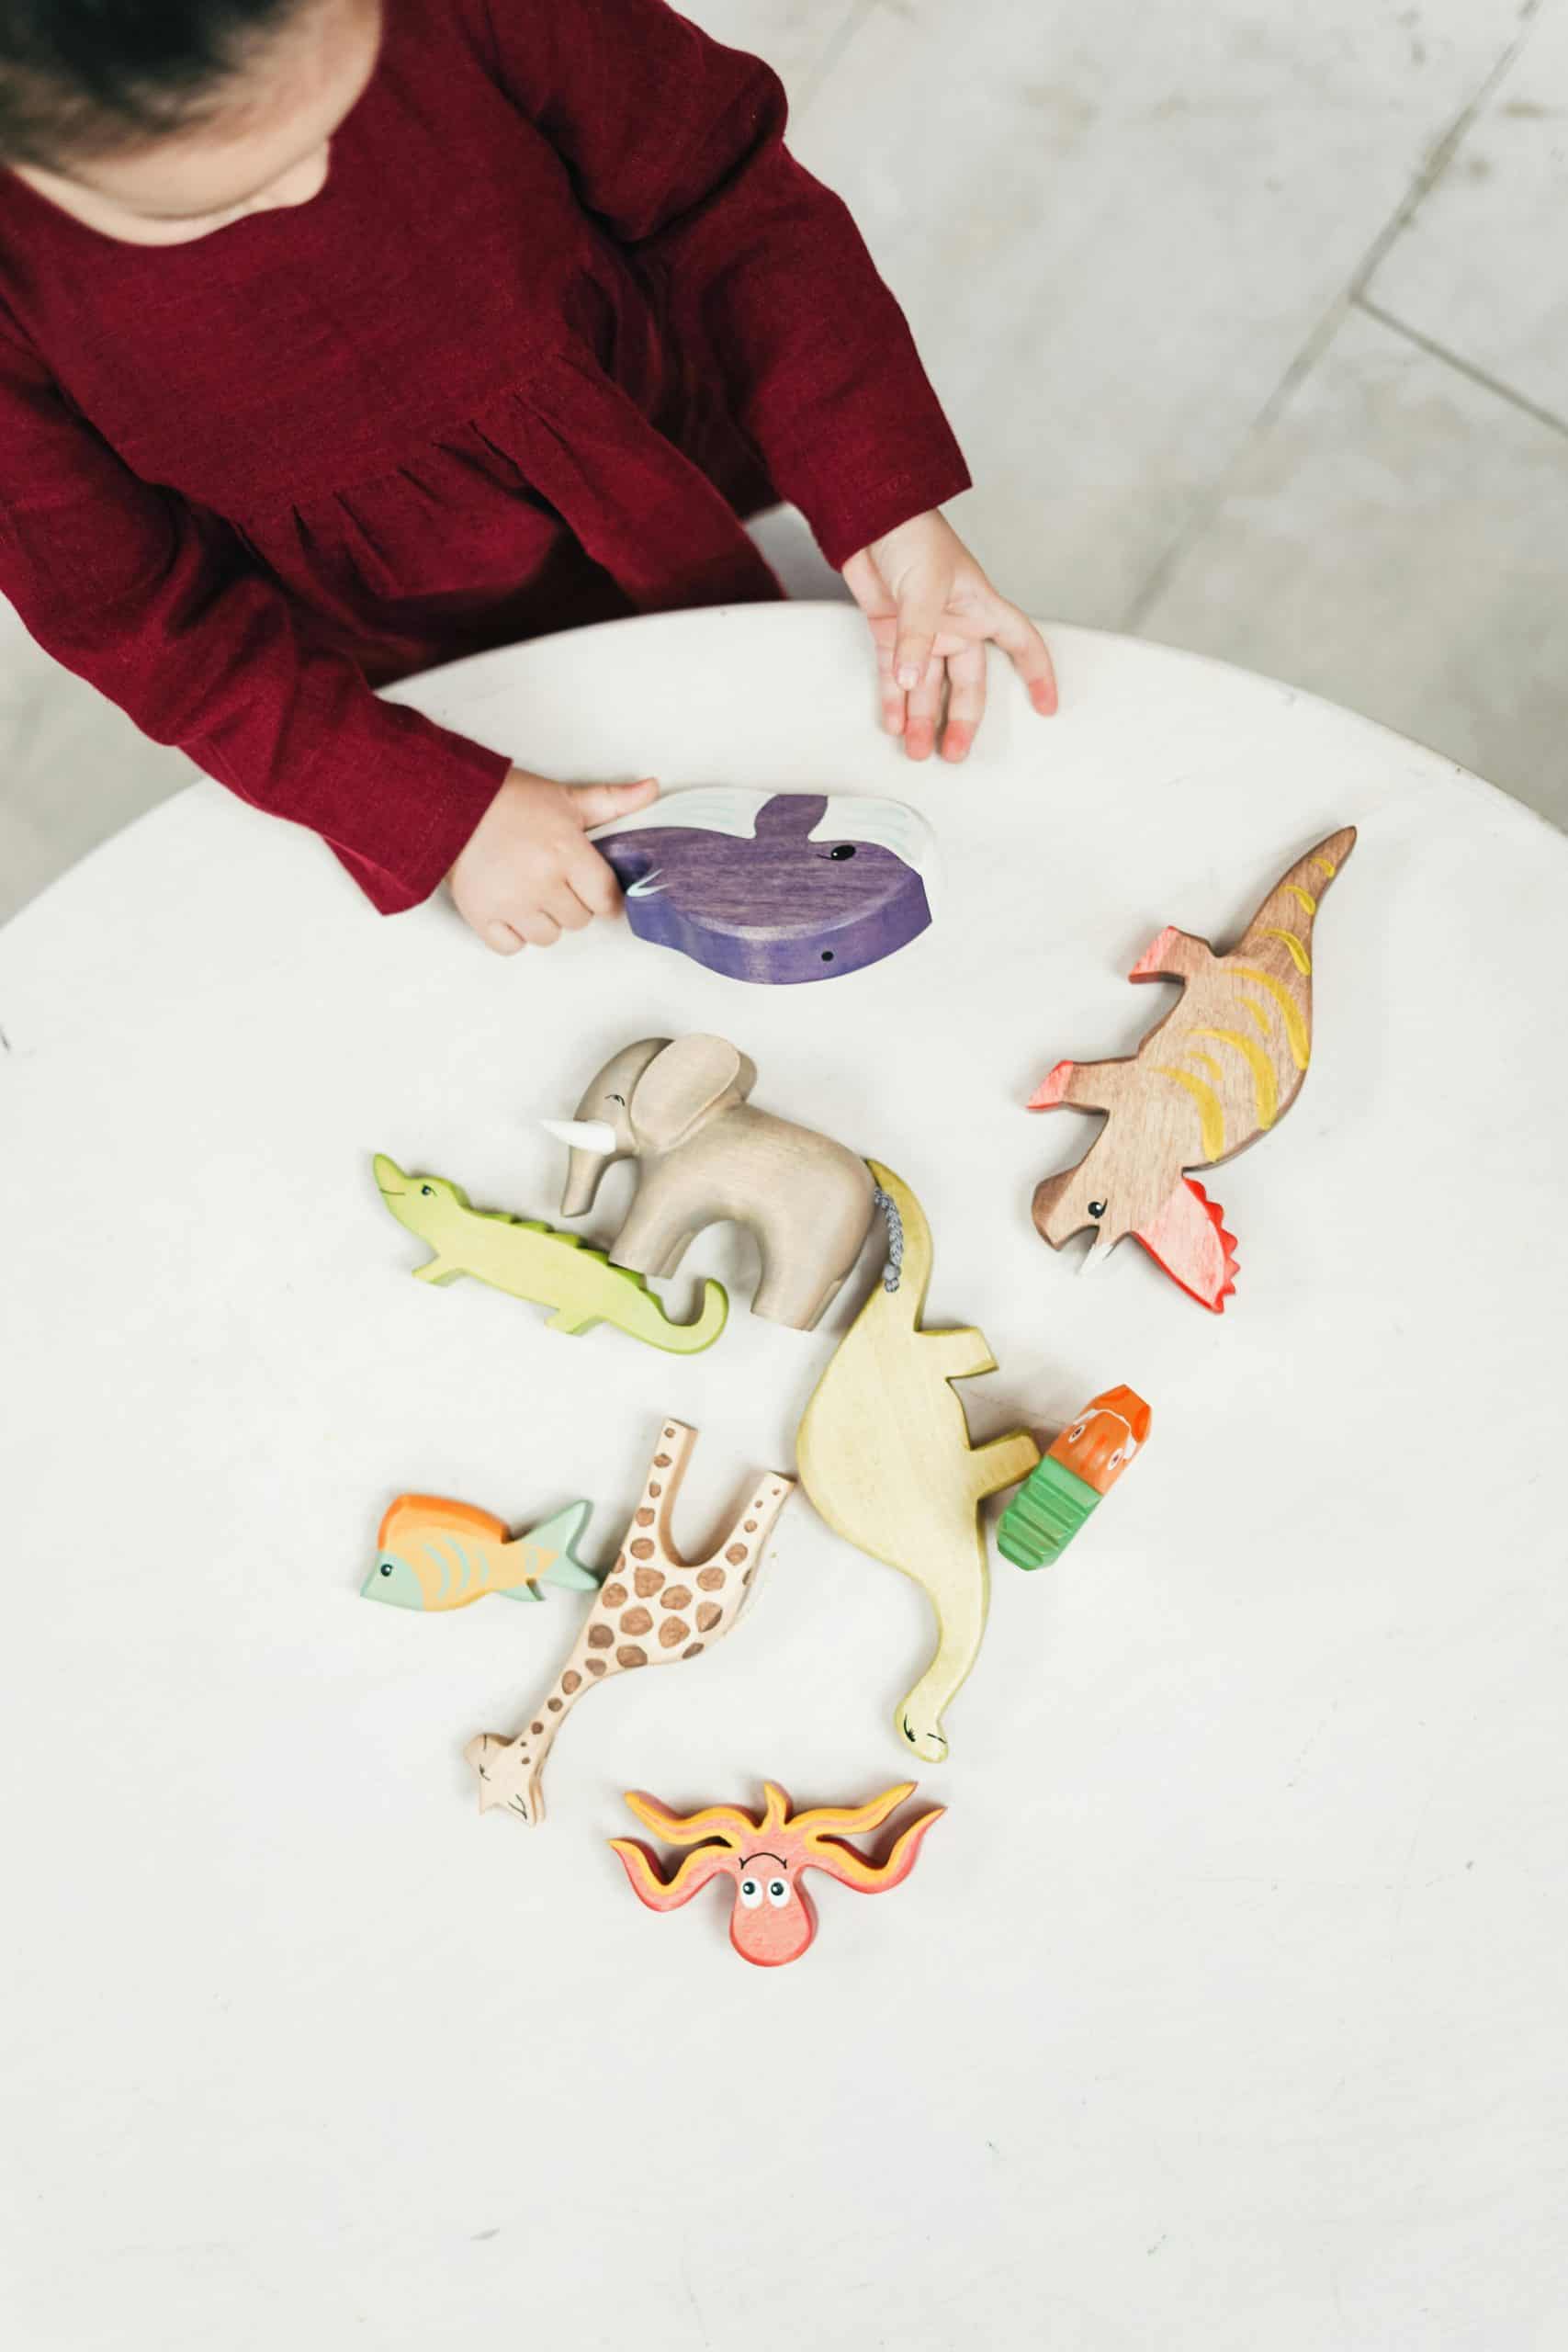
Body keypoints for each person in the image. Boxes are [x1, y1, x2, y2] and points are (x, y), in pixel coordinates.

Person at [0, 0, 1055, 952]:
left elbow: (719, 187)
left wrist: (881, 490)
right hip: (386, 645)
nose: (309, 182)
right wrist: (436, 811)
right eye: (209, 204)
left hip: (661, 455)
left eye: (336, 109)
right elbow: (140, 624)